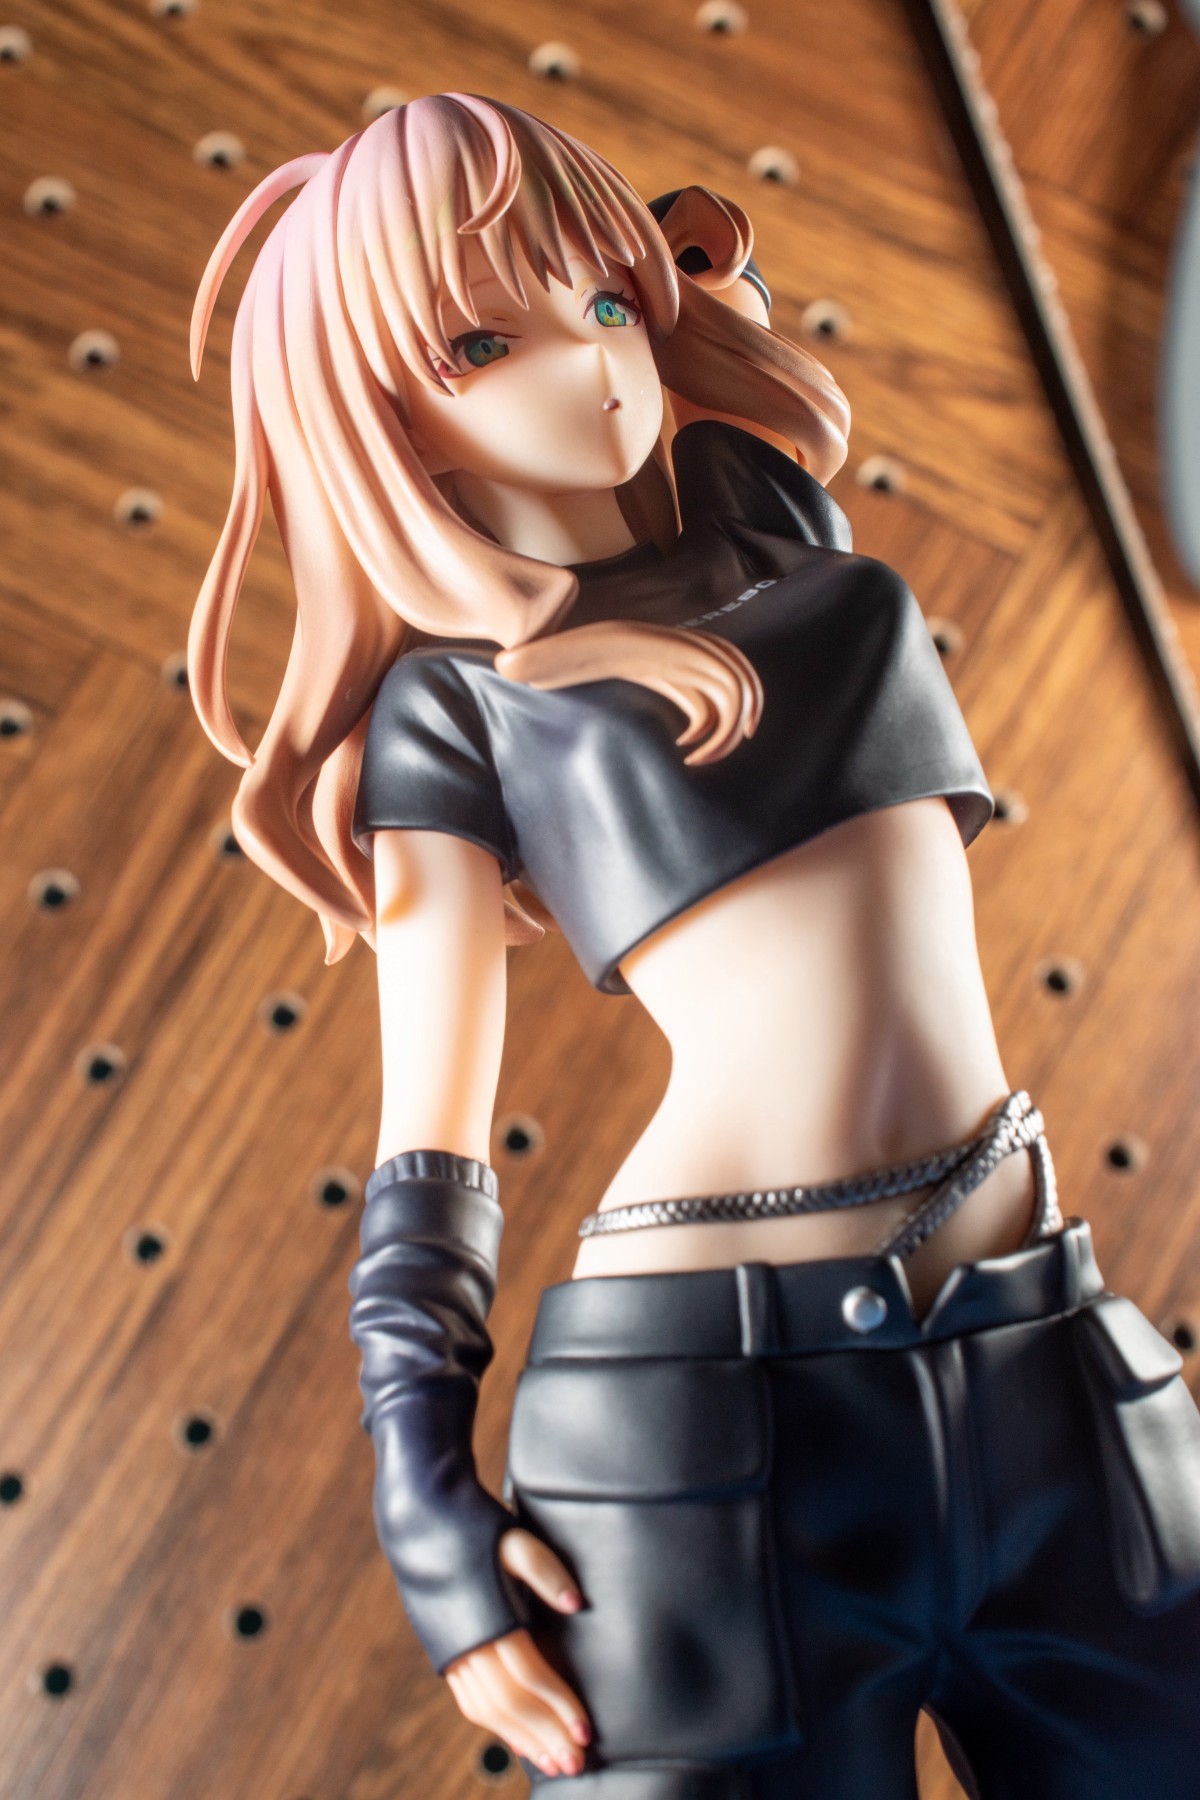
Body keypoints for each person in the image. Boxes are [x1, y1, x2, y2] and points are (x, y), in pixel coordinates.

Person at [188, 92, 1200, 1800]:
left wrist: (687, 281)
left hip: (1044, 1345)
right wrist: (422, 1494)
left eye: (603, 298)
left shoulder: (773, 522)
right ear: (376, 401)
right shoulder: (451, 712)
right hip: (710, 1426)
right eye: (481, 340)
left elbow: (720, 316)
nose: (591, 363)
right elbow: (431, 1142)